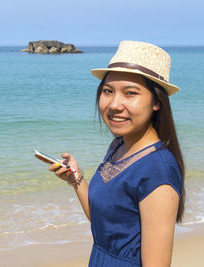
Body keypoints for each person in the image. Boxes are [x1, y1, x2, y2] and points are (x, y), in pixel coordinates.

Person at [47, 41, 184, 266]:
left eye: (130, 93)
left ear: (157, 102)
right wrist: (77, 179)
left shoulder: (158, 170)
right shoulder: (119, 146)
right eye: (108, 91)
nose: (114, 105)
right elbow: (108, 225)